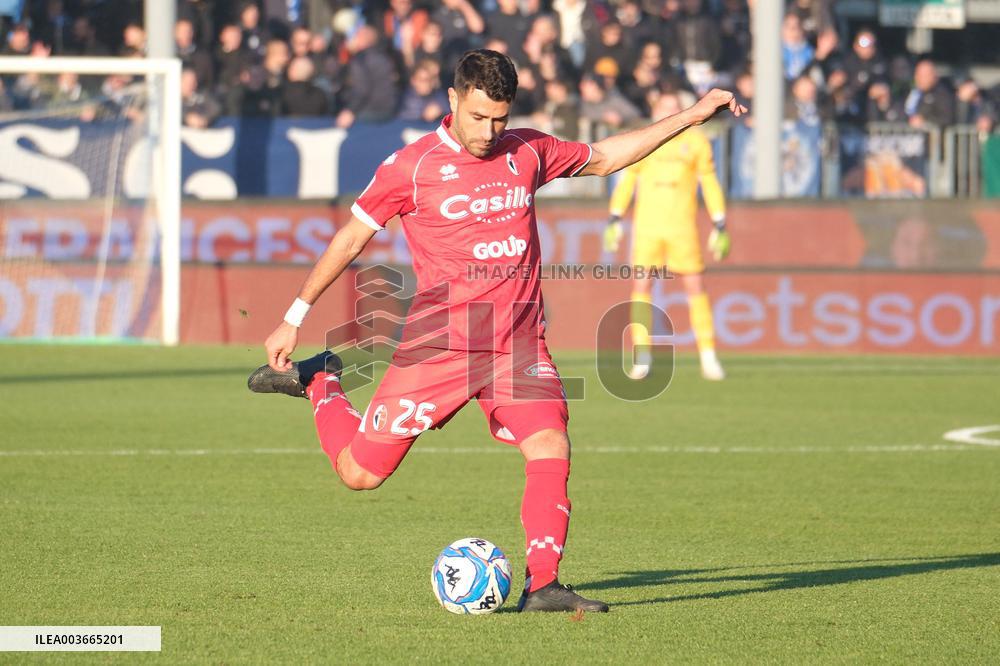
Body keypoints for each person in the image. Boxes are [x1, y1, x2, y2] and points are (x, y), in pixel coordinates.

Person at [248, 50, 744, 612]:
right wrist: (293, 317)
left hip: (518, 343)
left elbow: (606, 157)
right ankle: (322, 383)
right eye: (480, 117)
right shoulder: (410, 167)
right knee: (360, 474)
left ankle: (544, 584)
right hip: (442, 345)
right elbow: (350, 240)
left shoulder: (528, 150)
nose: (490, 131)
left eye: (500, 119)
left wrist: (690, 116)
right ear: (454, 100)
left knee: (550, 444)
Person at [604, 92, 730, 381]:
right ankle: (642, 357)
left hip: (682, 228)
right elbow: (628, 180)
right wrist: (615, 216)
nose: (670, 111)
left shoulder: (696, 142)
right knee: (641, 287)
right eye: (665, 107)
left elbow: (709, 181)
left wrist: (719, 220)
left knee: (695, 287)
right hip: (647, 228)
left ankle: (708, 356)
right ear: (655, 109)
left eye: (675, 107)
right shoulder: (645, 140)